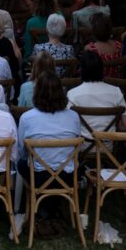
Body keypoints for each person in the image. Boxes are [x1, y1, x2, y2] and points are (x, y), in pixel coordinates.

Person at [15, 67, 83, 218]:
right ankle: (53, 205)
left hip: (39, 176)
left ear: (37, 92)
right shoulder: (73, 117)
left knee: (21, 163)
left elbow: (22, 153)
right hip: (67, 176)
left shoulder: (27, 118)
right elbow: (77, 149)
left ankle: (44, 205)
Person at [67, 50, 126, 131]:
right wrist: (115, 125)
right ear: (102, 69)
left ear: (81, 70)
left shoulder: (72, 94)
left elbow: (68, 125)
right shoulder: (116, 91)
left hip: (82, 143)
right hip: (107, 142)